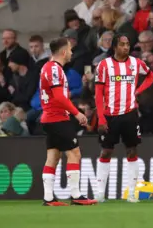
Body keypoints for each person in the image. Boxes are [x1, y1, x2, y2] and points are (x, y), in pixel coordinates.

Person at [93, 34, 153, 203]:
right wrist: (101, 118)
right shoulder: (104, 66)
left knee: (132, 150)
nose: (126, 47)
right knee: (106, 151)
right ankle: (100, 192)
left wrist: (138, 90)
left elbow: (151, 76)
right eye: (122, 44)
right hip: (110, 115)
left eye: (128, 44)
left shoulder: (136, 63)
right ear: (114, 47)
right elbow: (98, 94)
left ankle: (133, 193)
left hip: (130, 114)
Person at [39, 37, 96, 206]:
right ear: (63, 52)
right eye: (70, 50)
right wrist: (77, 113)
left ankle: (48, 198)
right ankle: (76, 195)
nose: (71, 53)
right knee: (74, 153)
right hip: (57, 118)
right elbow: (58, 96)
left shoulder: (49, 68)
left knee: (53, 156)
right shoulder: (54, 69)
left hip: (50, 117)